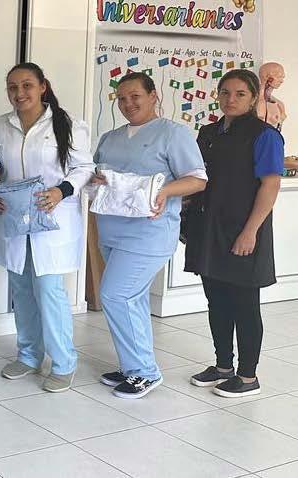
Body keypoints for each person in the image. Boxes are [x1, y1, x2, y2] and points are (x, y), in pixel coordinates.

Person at [92, 72, 207, 399]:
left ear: (153, 95)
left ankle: (145, 372)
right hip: (111, 230)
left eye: (135, 96)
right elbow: (97, 174)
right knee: (133, 299)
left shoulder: (173, 134)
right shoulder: (110, 138)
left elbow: (198, 180)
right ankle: (132, 366)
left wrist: (164, 191)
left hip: (149, 233)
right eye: (121, 98)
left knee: (115, 295)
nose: (128, 103)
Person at [0, 62, 93, 393]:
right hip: (14, 218)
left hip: (53, 219)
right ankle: (29, 355)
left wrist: (61, 191)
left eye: (27, 85)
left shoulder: (68, 124)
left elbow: (84, 167)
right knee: (20, 289)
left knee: (48, 290)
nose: (19, 93)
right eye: (12, 87)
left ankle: (63, 363)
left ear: (42, 86)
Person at [185, 69, 284, 398]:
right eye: (225, 92)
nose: (231, 99)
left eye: (240, 94)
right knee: (216, 300)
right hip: (209, 228)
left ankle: (247, 375)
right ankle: (223, 366)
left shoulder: (264, 136)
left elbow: (270, 185)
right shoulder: (208, 133)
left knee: (244, 304)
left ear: (254, 97)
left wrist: (250, 231)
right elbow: (197, 178)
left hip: (244, 230)